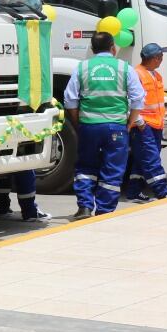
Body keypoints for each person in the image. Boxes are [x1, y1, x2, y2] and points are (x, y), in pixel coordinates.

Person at [63, 31, 145, 219]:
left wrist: (78, 122)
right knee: (113, 169)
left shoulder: (82, 68)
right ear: (113, 48)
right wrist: (130, 124)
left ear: (92, 49)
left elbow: (70, 99)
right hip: (116, 127)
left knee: (85, 167)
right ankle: (104, 210)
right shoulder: (125, 68)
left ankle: (84, 207)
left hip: (89, 126)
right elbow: (138, 99)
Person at [126, 41, 167, 202]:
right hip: (143, 125)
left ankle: (133, 192)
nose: (162, 59)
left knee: (142, 159)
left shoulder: (155, 75)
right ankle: (162, 191)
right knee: (151, 159)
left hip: (155, 124)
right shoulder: (137, 73)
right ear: (154, 58)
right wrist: (138, 121)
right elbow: (130, 100)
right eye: (160, 56)